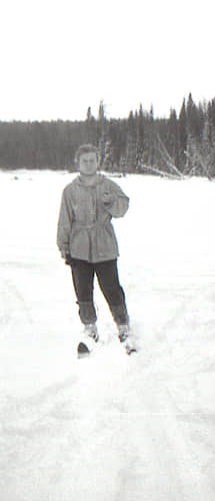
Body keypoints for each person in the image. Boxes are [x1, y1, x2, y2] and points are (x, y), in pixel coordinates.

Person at [57, 144, 133, 348]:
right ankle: (90, 327)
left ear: (98, 162)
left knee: (111, 288)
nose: (89, 164)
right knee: (82, 290)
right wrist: (64, 246)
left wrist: (110, 203)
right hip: (79, 246)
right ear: (78, 163)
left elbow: (123, 208)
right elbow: (64, 220)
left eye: (92, 160)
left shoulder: (107, 185)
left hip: (105, 245)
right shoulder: (70, 190)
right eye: (85, 161)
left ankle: (123, 325)